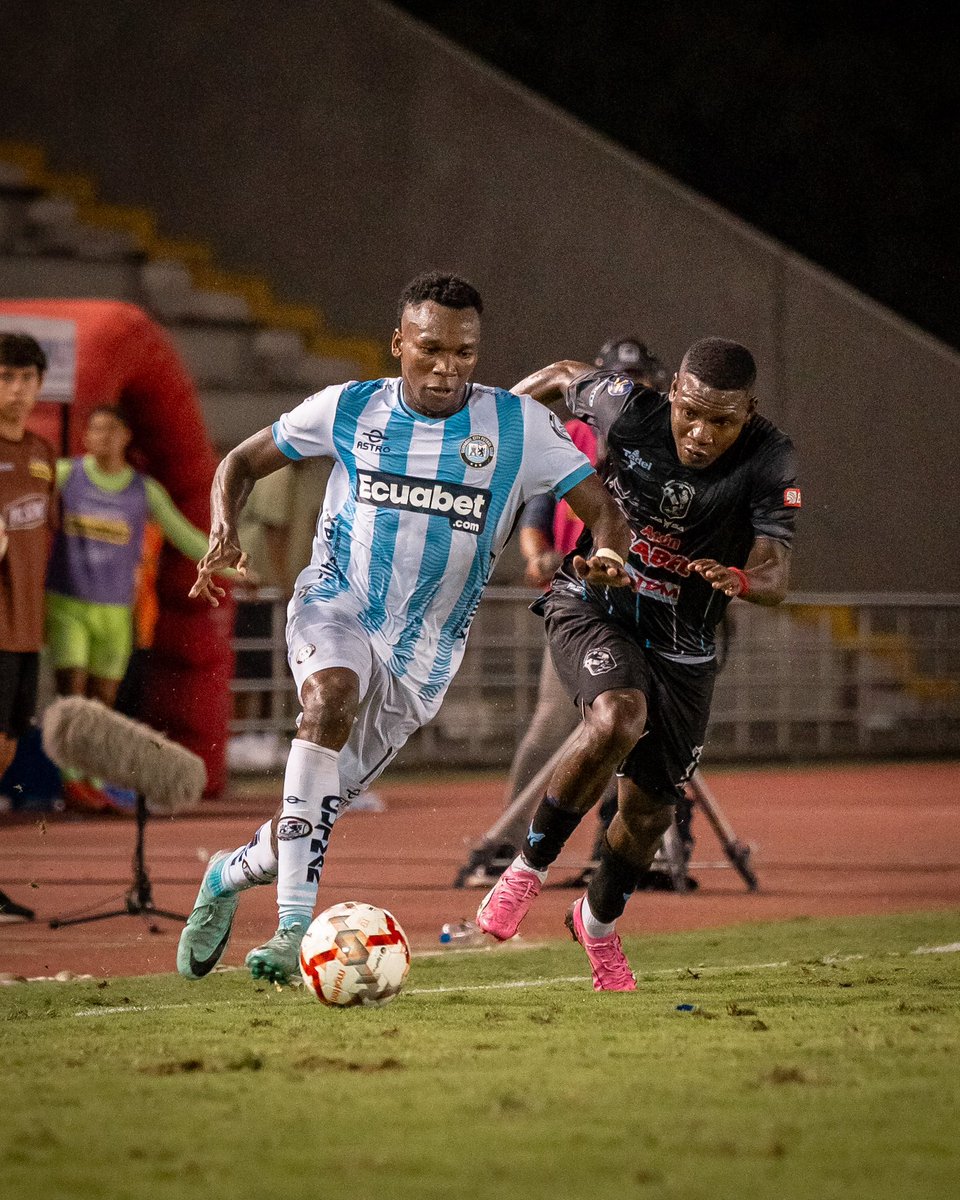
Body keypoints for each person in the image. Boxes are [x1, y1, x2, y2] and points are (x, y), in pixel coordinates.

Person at [177, 271, 634, 985]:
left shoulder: (516, 427)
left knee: (313, 814)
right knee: (326, 698)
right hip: (337, 603)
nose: (447, 367)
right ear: (398, 344)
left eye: (464, 352)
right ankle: (295, 927)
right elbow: (239, 461)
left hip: (422, 659)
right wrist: (223, 529)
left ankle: (227, 875)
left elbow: (603, 505)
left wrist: (607, 551)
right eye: (430, 349)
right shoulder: (349, 409)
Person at [475, 337, 800, 990]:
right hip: (598, 601)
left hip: (684, 641)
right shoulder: (628, 407)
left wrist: (740, 578)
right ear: (674, 391)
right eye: (691, 413)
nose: (702, 434)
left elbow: (777, 570)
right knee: (617, 717)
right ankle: (525, 871)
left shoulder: (770, 459)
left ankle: (595, 923)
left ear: (749, 412)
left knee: (649, 814)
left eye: (723, 421)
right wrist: (489, 425)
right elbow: (562, 371)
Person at [454, 337, 668, 889]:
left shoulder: (670, 441)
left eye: (640, 380)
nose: (631, 391)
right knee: (556, 723)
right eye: (621, 380)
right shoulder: (572, 435)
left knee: (646, 733)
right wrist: (535, 555)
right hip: (586, 604)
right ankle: (507, 843)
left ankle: (624, 852)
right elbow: (538, 510)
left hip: (657, 607)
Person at [44, 405, 231, 810]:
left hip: (116, 613)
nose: (101, 437)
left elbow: (183, 533)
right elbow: (22, 485)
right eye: (94, 429)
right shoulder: (66, 474)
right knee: (73, 696)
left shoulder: (143, 491)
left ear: (126, 437)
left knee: (101, 705)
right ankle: (72, 783)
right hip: (68, 604)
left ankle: (91, 780)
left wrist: (231, 566)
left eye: (110, 429)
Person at [0, 333, 57, 921]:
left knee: (8, 751)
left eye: (26, 379)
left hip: (26, 630)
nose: (17, 390)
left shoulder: (42, 452)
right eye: (5, 377)